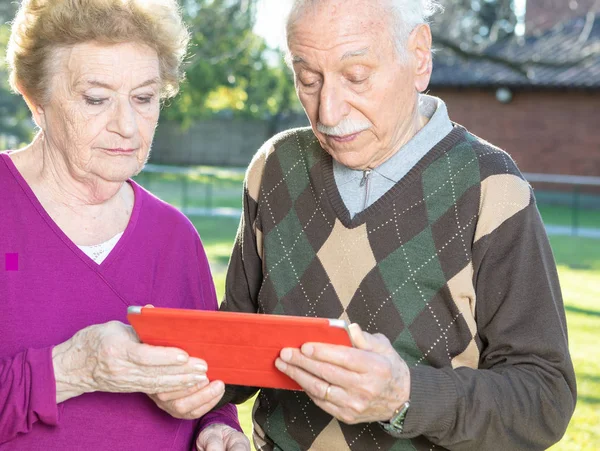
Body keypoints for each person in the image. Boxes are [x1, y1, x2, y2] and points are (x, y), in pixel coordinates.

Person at [156, 0, 577, 450]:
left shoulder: (492, 187)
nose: (329, 112)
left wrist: (405, 396)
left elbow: (545, 398)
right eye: (308, 80)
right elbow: (242, 343)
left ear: (418, 57)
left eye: (356, 76)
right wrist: (199, 391)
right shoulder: (274, 167)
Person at [0, 1, 250, 450]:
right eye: (96, 99)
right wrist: (72, 368)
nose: (128, 126)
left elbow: (209, 387)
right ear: (34, 98)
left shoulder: (176, 238)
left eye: (144, 97)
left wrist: (217, 427)